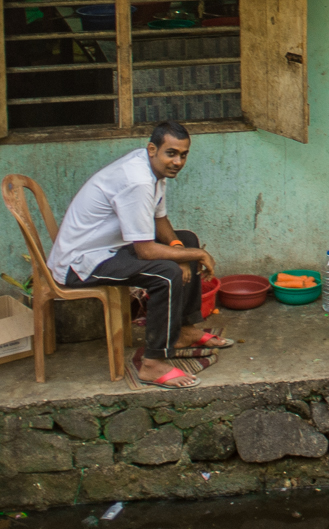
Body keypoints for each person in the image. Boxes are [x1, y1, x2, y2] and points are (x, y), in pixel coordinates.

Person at [47, 121, 232, 387]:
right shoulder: (138, 181)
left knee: (187, 240)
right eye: (172, 153)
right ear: (152, 149)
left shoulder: (153, 169)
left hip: (112, 248)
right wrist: (195, 256)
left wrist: (180, 250)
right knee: (166, 274)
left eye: (183, 154)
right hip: (81, 262)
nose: (178, 161)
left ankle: (184, 330)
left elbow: (160, 220)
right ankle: (152, 363)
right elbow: (145, 250)